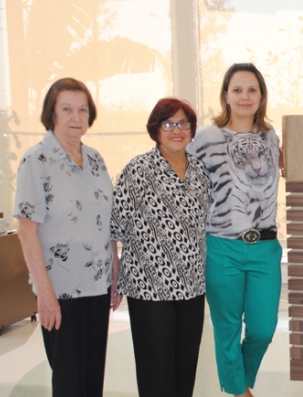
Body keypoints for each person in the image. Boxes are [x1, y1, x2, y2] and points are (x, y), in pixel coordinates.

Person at [14, 77, 120, 397]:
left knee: (92, 377)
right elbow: (26, 230)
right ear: (52, 114)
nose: (76, 117)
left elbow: (106, 219)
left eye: (83, 109)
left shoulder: (95, 158)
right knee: (70, 381)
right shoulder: (36, 161)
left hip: (98, 285)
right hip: (60, 290)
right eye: (67, 109)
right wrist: (45, 294)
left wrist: (114, 271)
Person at [186, 63, 281, 397]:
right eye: (237, 90)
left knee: (263, 329)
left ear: (261, 96)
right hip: (222, 246)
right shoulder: (206, 138)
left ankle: (239, 382)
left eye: (252, 90)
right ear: (225, 95)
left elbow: (291, 164)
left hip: (265, 247)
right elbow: (182, 178)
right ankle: (239, 392)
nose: (245, 96)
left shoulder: (270, 136)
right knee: (226, 329)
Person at [110, 98, 210, 397]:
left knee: (185, 366)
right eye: (168, 124)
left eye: (183, 124)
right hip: (149, 289)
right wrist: (113, 275)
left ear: (192, 130)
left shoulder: (200, 171)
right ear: (155, 129)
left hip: (192, 286)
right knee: (156, 369)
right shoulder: (138, 170)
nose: (176, 130)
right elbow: (115, 225)